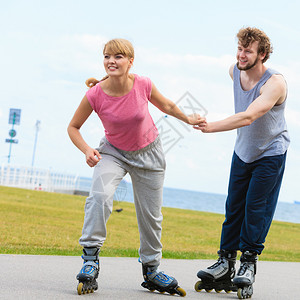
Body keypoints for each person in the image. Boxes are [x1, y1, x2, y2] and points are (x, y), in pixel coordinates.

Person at [68, 38, 205, 296]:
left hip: (149, 154)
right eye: (108, 56)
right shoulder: (95, 94)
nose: (112, 61)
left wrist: (188, 119)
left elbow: (166, 105)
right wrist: (87, 150)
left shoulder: (142, 84)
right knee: (99, 197)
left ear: (131, 62)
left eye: (119, 56)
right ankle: (89, 261)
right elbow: (72, 127)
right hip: (113, 153)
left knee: (151, 217)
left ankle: (151, 270)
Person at [194, 27, 290, 299]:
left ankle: (248, 263)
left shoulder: (275, 83)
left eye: (248, 50)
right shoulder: (233, 71)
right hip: (243, 150)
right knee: (233, 205)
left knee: (255, 207)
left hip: (270, 152)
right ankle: (225, 263)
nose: (241, 54)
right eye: (239, 48)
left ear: (262, 54)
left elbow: (249, 116)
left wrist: (211, 127)